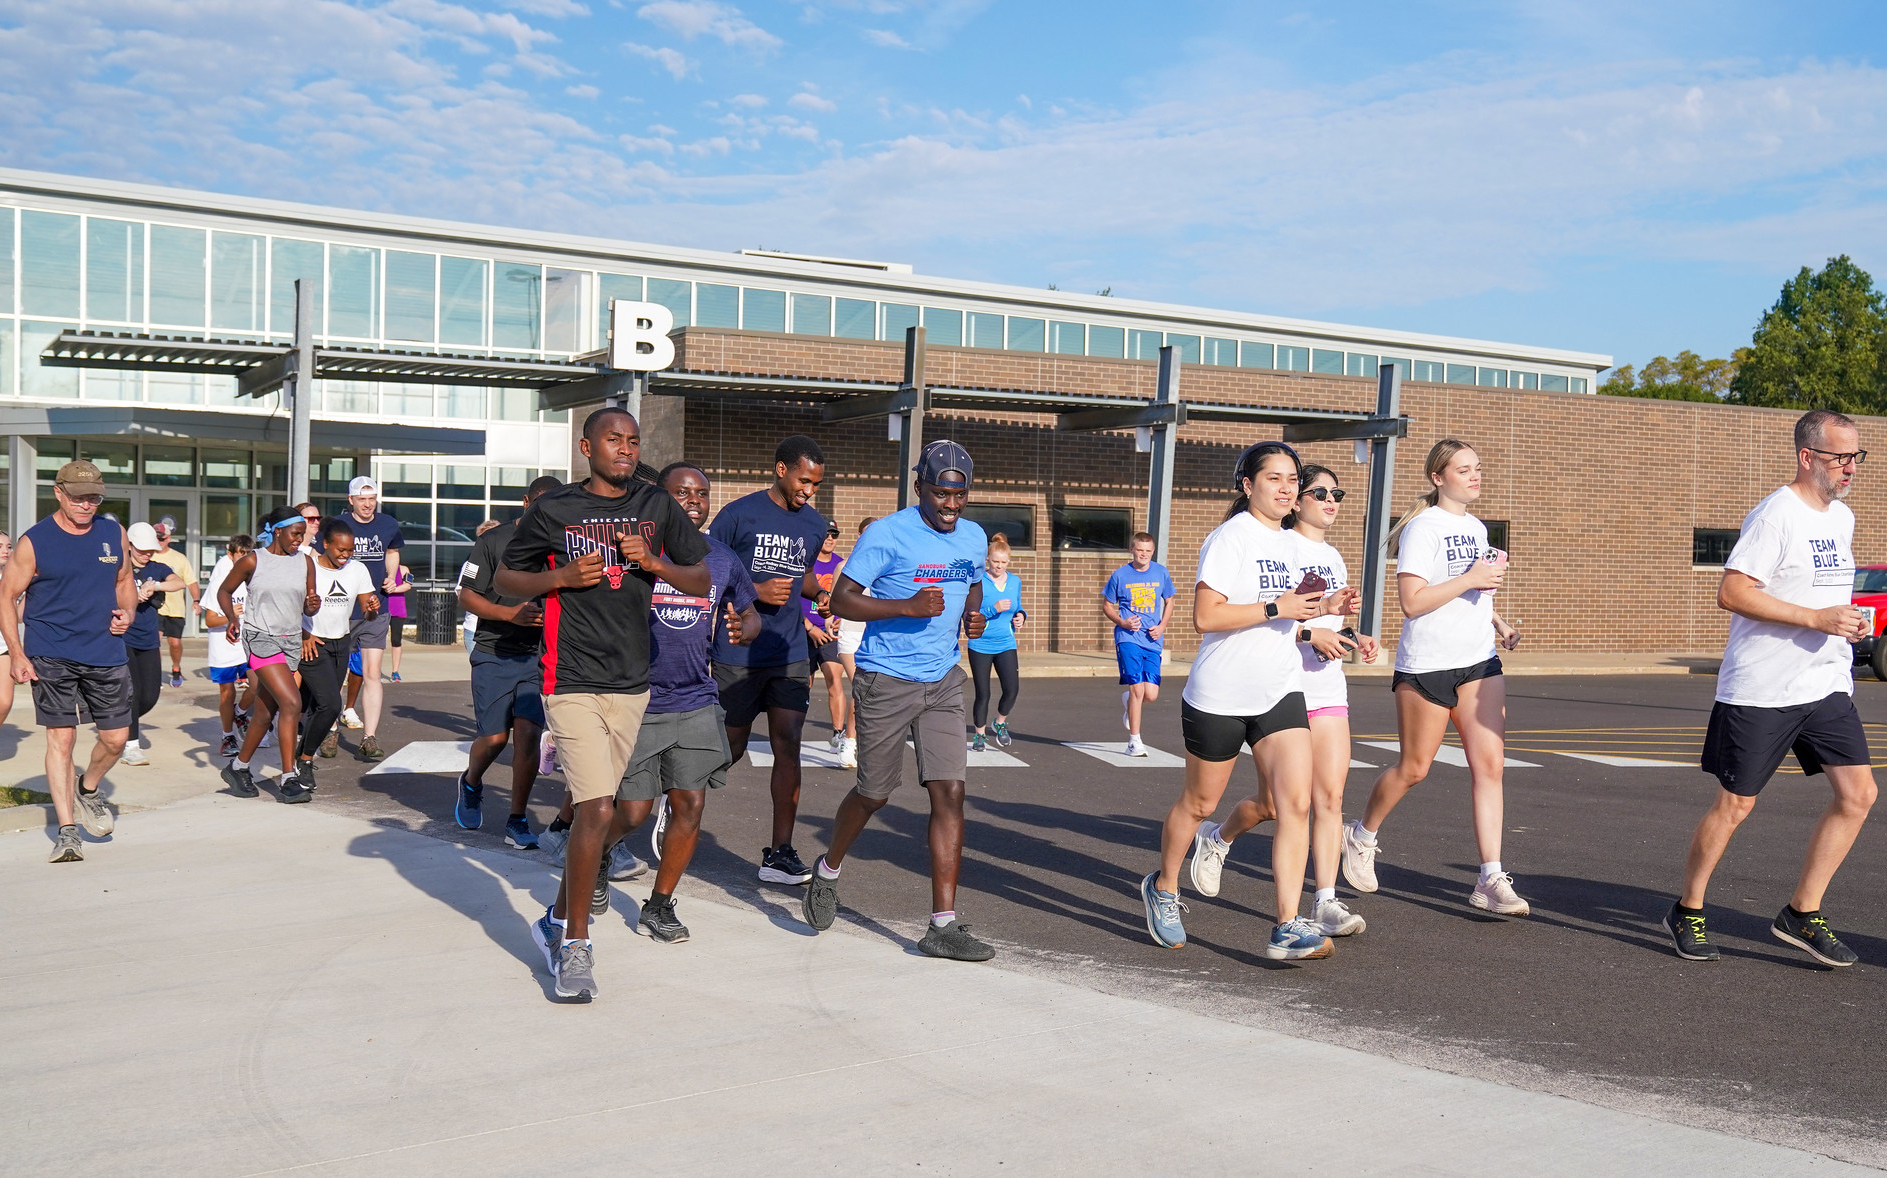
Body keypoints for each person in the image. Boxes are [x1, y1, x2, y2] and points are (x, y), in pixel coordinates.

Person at [499, 407, 709, 1002]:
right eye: (613, 440)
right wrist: (560, 577)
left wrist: (655, 563)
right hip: (569, 680)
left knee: (620, 812)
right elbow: (510, 581)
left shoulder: (656, 506)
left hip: (632, 685)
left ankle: (553, 915)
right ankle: (574, 943)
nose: (625, 448)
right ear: (586, 444)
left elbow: (699, 579)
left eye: (633, 441)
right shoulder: (555, 509)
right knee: (594, 808)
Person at [1667, 409, 1877, 967]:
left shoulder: (1842, 519)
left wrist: (1848, 621)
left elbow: (1819, 592)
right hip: (1762, 687)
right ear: (1808, 457)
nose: (1850, 467)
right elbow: (1733, 593)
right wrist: (1816, 619)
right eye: (1839, 457)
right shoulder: (1775, 516)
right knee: (1736, 805)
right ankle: (1688, 908)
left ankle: (1802, 913)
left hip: (1825, 683)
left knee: (1859, 796)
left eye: (1857, 456)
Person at [1139, 442, 1338, 961]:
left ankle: (1288, 925)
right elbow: (1207, 617)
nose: (1286, 487)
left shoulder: (1296, 545)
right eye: (1273, 478)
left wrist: (1322, 616)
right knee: (1199, 803)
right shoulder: (1230, 538)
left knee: (1294, 805)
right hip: (1221, 694)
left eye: (1292, 479)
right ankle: (1163, 886)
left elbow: (1291, 621)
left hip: (1278, 689)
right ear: (1247, 485)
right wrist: (1280, 605)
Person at [801, 439, 996, 962]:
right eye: (940, 494)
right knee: (874, 793)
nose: (951, 505)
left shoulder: (973, 537)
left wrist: (971, 616)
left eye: (960, 495)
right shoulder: (888, 534)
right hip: (885, 680)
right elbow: (841, 599)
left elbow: (972, 585)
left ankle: (942, 924)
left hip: (942, 681)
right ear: (920, 489)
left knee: (949, 793)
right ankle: (828, 870)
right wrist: (907, 606)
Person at [1188, 463, 1380, 938]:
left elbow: (1323, 620)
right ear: (1296, 501)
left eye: (1337, 493)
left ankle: (1325, 901)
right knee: (1273, 806)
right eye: (1320, 492)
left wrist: (1355, 636)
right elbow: (1276, 620)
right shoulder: (1275, 544)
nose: (1331, 500)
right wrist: (1311, 632)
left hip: (1327, 688)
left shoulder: (1333, 556)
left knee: (1329, 797)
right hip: (1280, 686)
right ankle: (1217, 837)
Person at [1340, 439, 1526, 917]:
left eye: (1477, 467)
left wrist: (1497, 621)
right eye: (1463, 469)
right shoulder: (1423, 528)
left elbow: (1475, 592)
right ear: (1438, 477)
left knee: (1490, 766)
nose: (1474, 475)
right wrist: (1471, 579)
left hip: (1479, 662)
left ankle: (1490, 876)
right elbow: (1413, 602)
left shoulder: (1479, 527)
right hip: (1427, 664)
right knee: (1415, 768)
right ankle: (1362, 835)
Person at [596, 461, 760, 942]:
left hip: (695, 697)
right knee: (634, 811)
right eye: (683, 492)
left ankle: (660, 905)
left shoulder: (723, 558)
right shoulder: (630, 552)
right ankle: (600, 854)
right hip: (638, 700)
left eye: (702, 493)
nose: (694, 500)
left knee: (690, 804)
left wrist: (743, 628)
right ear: (659, 498)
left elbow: (750, 613)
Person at [708, 434, 833, 886]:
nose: (809, 491)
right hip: (738, 651)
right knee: (730, 747)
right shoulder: (737, 515)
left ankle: (779, 852)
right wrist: (753, 593)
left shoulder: (815, 524)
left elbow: (798, 576)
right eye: (804, 481)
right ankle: (677, 802)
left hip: (790, 652)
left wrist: (819, 593)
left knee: (788, 743)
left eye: (816, 484)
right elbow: (702, 573)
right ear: (781, 470)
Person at [0, 460, 136, 863]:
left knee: (116, 738)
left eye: (94, 497)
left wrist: (127, 612)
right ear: (59, 492)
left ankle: (88, 788)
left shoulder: (114, 532)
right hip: (51, 654)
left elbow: (124, 581)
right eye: (78, 497)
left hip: (105, 652)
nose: (86, 504)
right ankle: (67, 831)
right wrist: (17, 653)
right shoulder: (34, 541)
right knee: (62, 739)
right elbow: (6, 597)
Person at [455, 475, 563, 849]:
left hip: (538, 657)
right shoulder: (493, 541)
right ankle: (470, 782)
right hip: (493, 652)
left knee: (529, 736)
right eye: (541, 505)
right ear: (525, 502)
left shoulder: (562, 545)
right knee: (495, 738)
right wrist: (509, 615)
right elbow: (466, 597)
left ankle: (516, 820)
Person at [216, 506, 323, 803]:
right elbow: (224, 592)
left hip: (290, 641)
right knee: (291, 702)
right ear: (277, 530)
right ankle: (289, 777)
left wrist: (313, 604)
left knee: (266, 711)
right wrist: (232, 619)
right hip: (260, 638)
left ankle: (238, 768)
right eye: (295, 533)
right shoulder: (253, 560)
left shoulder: (305, 563)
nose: (299, 540)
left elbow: (308, 607)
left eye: (303, 534)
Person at [299, 517, 379, 790]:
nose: (345, 556)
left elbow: (368, 614)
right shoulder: (309, 568)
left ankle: (300, 753)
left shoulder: (357, 570)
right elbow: (291, 606)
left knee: (317, 706)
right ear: (325, 545)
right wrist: (304, 635)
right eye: (340, 550)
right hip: (312, 643)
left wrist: (372, 608)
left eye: (350, 550)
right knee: (331, 705)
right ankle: (305, 760)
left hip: (341, 643)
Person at [335, 475, 404, 761]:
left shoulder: (388, 524)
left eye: (371, 498)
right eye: (361, 499)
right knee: (335, 674)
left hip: (377, 609)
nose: (367, 504)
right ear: (350, 500)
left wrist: (390, 578)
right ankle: (329, 731)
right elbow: (320, 560)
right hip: (341, 609)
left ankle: (369, 737)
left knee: (372, 674)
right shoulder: (338, 526)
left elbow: (392, 552)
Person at [1103, 531, 1176, 757]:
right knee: (1137, 688)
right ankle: (1134, 741)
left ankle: (1128, 703)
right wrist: (1122, 622)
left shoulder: (1161, 572)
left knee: (1151, 694)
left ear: (1152, 552)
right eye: (1140, 550)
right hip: (1128, 639)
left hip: (1152, 639)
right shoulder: (1120, 575)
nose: (1143, 554)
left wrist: (1162, 626)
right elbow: (1107, 605)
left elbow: (1170, 600)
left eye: (1148, 551)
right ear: (1132, 549)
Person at [121, 523, 184, 767]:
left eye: (150, 550)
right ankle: (131, 746)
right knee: (133, 693)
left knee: (150, 695)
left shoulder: (157, 568)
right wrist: (133, 597)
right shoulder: (120, 568)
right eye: (142, 549)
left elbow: (177, 582)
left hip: (148, 639)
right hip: (123, 637)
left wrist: (154, 585)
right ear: (130, 546)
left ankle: (120, 721)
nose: (147, 554)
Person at [969, 531, 1025, 753]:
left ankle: (1000, 722)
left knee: (1012, 689)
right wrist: (994, 608)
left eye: (1003, 562)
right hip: (981, 643)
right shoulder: (979, 581)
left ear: (1008, 562)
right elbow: (972, 612)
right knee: (983, 693)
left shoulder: (1015, 581)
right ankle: (980, 735)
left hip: (1006, 643)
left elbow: (1017, 606)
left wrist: (1021, 616)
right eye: (995, 562)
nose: (999, 566)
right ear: (987, 561)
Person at [204, 535, 255, 759]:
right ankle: (227, 736)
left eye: (247, 554)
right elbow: (209, 620)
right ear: (230, 554)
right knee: (227, 693)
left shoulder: (253, 578)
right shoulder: (221, 581)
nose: (243, 559)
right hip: (223, 646)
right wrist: (230, 616)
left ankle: (241, 713)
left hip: (248, 644)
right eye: (239, 555)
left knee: (257, 684)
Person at [832, 517, 876, 770]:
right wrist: (830, 618)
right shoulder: (845, 566)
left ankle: (863, 742)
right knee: (860, 686)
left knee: (870, 692)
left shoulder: (885, 567)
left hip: (873, 635)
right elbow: (833, 601)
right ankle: (849, 741)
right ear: (859, 536)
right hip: (850, 635)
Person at [805, 522, 852, 759]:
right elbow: (792, 598)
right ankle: (792, 731)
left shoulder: (842, 565)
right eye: (827, 534)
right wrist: (810, 626)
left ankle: (838, 732)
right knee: (804, 684)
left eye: (835, 535)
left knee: (835, 679)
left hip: (830, 631)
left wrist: (838, 620)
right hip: (803, 629)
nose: (830, 539)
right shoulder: (807, 563)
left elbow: (847, 598)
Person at [149, 520, 199, 688]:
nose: (159, 542)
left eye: (162, 538)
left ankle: (176, 668)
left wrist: (196, 601)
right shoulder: (148, 555)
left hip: (176, 608)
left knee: (174, 643)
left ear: (169, 538)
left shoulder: (179, 558)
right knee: (155, 641)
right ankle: (154, 673)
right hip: (155, 607)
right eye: (156, 538)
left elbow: (191, 582)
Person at [385, 564, 411, 681]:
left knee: (396, 640)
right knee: (375, 642)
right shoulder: (380, 568)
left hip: (397, 609)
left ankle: (395, 671)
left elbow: (408, 585)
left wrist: (393, 589)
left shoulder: (403, 570)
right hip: (381, 609)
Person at [0, 530, 14, 731]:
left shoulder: (11, 578)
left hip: (3, 645)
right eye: (0, 547)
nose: (6, 551)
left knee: (4, 701)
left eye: (9, 547)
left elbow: (18, 615)